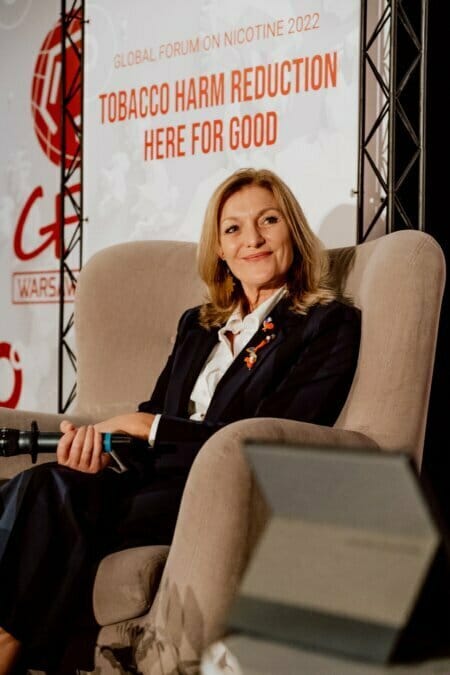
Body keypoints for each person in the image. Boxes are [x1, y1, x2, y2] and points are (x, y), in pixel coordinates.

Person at [0, 168, 361, 673]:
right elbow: (155, 411)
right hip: (147, 476)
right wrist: (101, 449)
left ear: (292, 233)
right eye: (232, 228)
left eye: (268, 221)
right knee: (39, 483)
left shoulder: (326, 323)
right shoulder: (199, 323)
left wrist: (147, 429)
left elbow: (270, 438)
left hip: (219, 496)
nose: (251, 239)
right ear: (218, 247)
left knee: (46, 496)